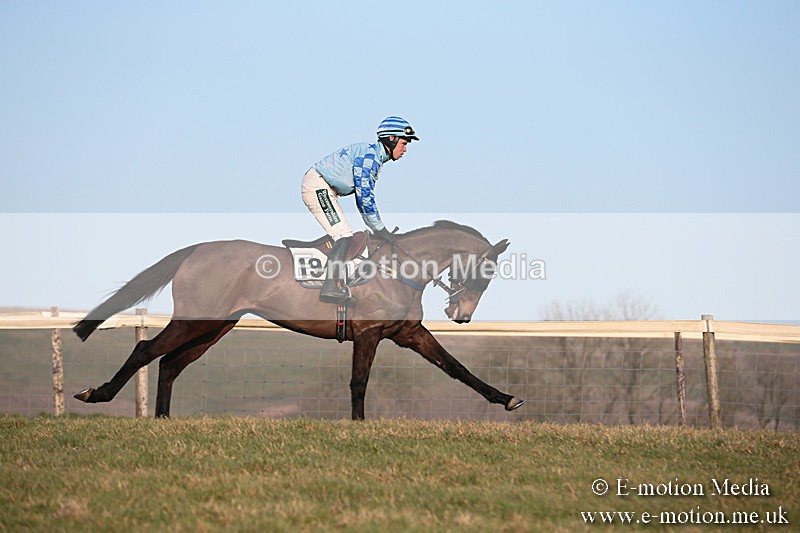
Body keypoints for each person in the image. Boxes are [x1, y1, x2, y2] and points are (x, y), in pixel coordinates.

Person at [301, 116, 419, 302]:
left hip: (325, 188)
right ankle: (330, 286)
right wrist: (380, 229)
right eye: (404, 143)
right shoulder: (370, 157)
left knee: (346, 234)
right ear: (391, 139)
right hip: (318, 186)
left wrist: (377, 228)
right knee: (344, 235)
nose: (405, 149)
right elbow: (364, 198)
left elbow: (363, 200)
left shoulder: (374, 156)